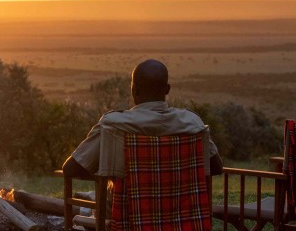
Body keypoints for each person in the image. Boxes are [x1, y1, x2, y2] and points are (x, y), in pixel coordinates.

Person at [61, 59, 222, 180]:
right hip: (181, 217)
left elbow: (70, 169)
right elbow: (216, 167)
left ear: (134, 90)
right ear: (167, 89)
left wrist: (106, 177)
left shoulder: (113, 124)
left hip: (126, 218)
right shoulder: (192, 122)